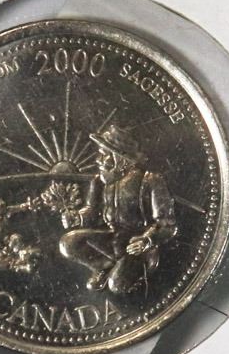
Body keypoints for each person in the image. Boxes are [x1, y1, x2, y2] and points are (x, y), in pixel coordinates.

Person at [59, 123, 177, 294]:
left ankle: (131, 275)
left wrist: (147, 240)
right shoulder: (99, 181)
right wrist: (79, 217)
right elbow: (92, 211)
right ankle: (103, 266)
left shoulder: (150, 181)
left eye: (104, 155)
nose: (98, 160)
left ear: (119, 159)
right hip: (111, 238)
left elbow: (166, 225)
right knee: (68, 243)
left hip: (136, 246)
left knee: (117, 286)